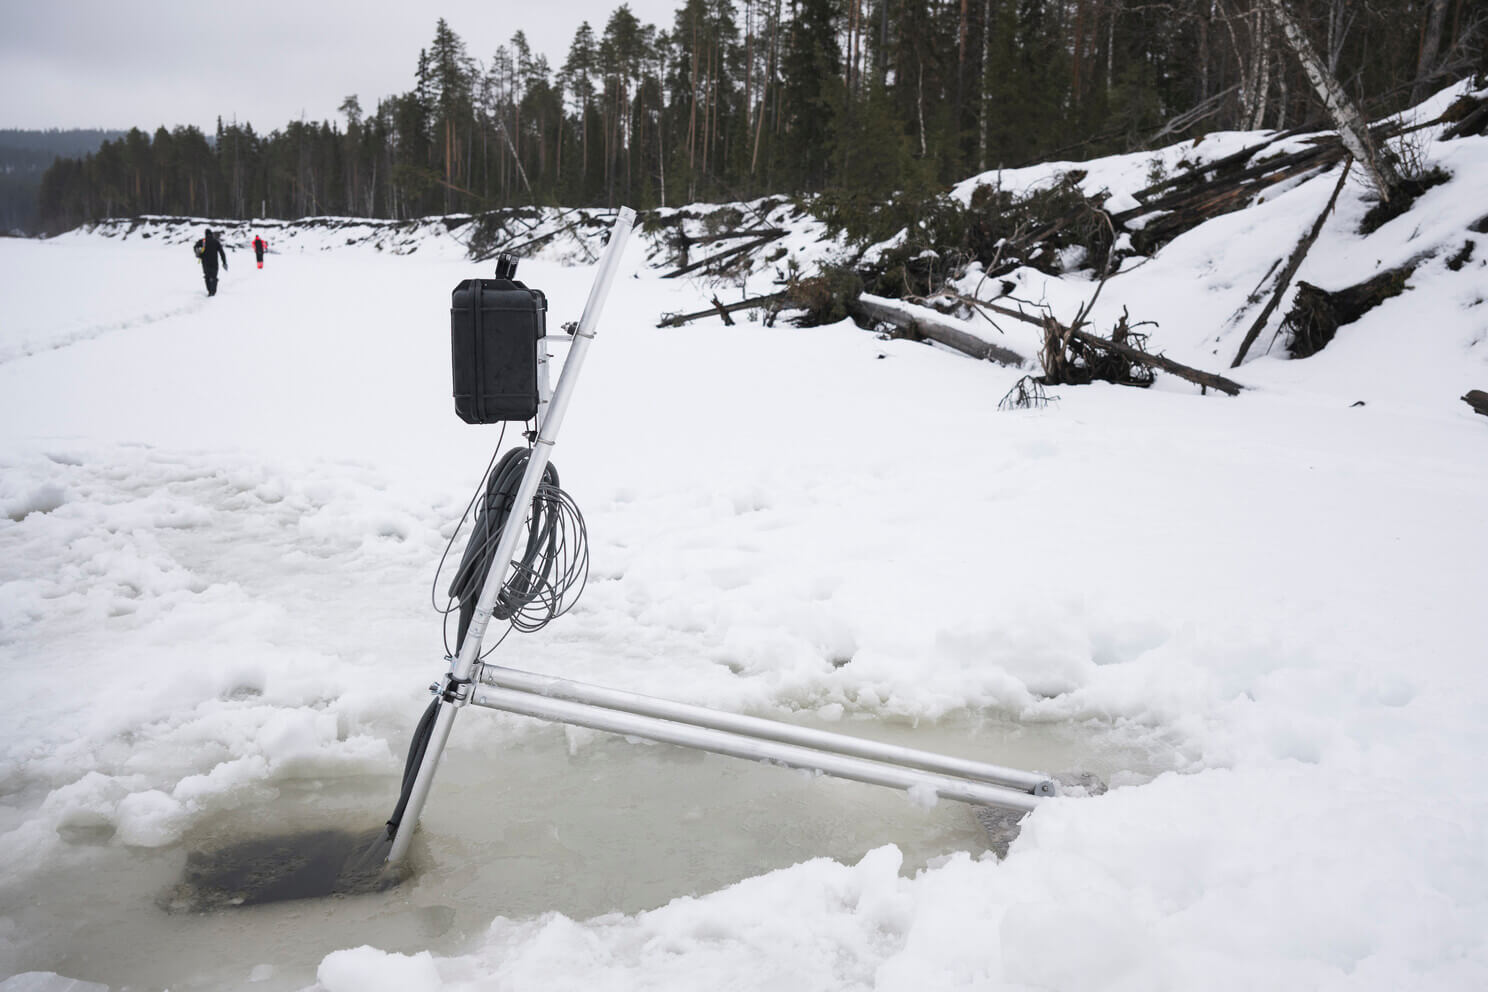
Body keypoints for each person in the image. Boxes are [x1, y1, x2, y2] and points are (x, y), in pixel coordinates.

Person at [194, 228, 228, 296]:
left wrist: (198, 254)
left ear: (205, 234)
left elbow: (195, 247)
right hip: (214, 263)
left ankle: (209, 291)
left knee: (207, 277)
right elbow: (222, 253)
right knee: (214, 277)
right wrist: (224, 262)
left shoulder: (203, 241)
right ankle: (213, 292)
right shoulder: (216, 242)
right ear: (211, 234)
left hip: (205, 263)